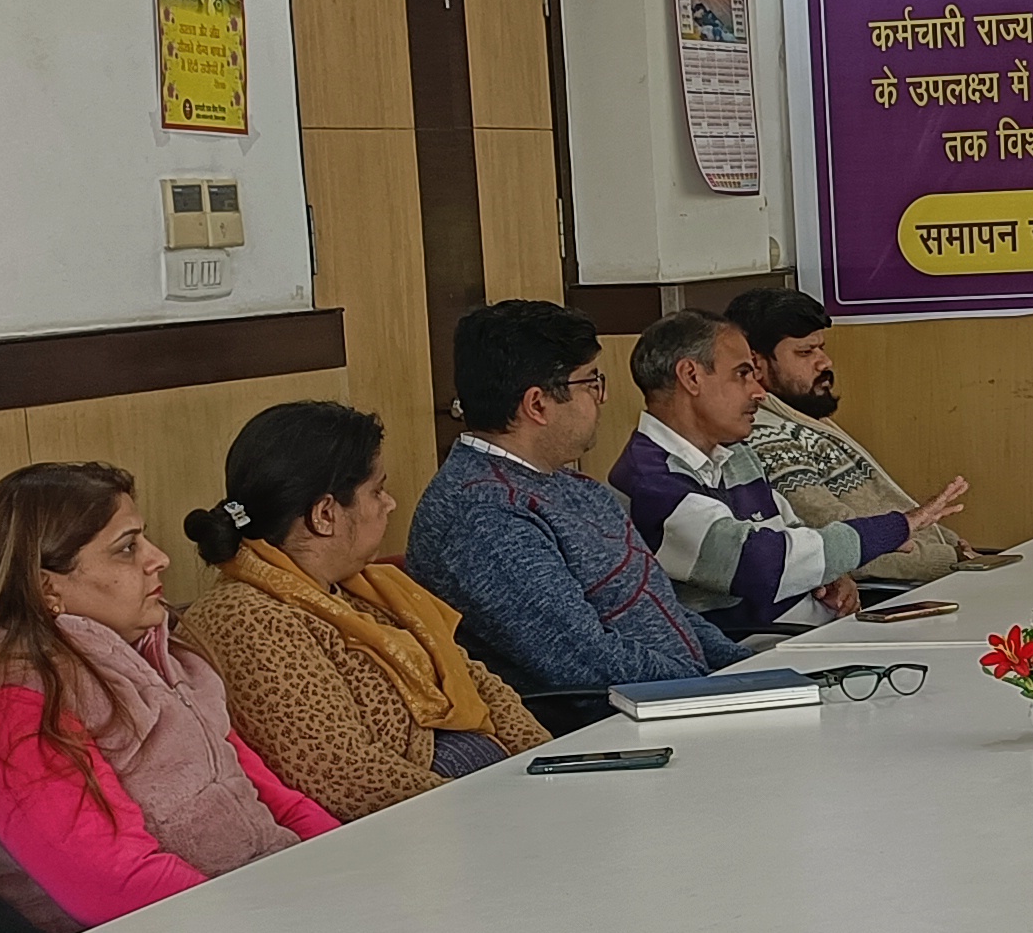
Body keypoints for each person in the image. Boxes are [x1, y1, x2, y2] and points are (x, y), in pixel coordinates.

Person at [0, 462, 336, 933]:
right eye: (127, 548)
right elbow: (113, 885)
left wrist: (352, 864)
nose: (159, 558)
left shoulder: (157, 654)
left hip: (262, 909)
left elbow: (274, 798)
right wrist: (276, 925)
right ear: (47, 587)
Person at [171, 402, 548, 821]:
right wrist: (494, 810)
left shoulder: (361, 586)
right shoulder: (246, 620)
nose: (390, 504)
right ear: (325, 515)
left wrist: (547, 766)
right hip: (428, 824)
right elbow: (345, 778)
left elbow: (478, 683)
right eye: (377, 491)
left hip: (490, 794)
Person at [403, 299, 746, 711]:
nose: (602, 397)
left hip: (680, 701)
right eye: (590, 383)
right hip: (615, 725)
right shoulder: (483, 515)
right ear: (537, 405)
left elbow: (660, 610)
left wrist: (746, 671)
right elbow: (586, 664)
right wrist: (712, 690)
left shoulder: (572, 486)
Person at [613, 309, 966, 638]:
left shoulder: (733, 453)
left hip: (818, 634)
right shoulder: (650, 482)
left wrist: (833, 576)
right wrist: (892, 529)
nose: (758, 391)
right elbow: (759, 562)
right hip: (757, 655)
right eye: (742, 374)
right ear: (692, 377)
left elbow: (795, 532)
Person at [726, 286, 985, 587]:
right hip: (896, 592)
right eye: (805, 352)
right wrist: (952, 559)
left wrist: (954, 547)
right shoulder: (767, 437)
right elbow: (847, 545)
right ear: (756, 364)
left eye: (821, 348)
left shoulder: (800, 419)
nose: (825, 363)